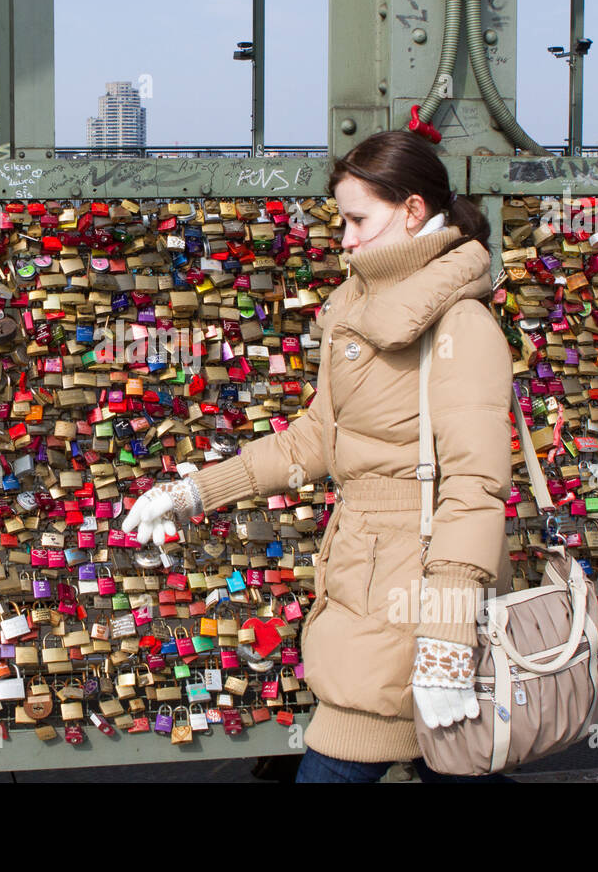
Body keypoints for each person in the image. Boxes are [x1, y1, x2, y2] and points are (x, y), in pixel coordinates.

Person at [124, 130, 515, 783]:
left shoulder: (460, 326)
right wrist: (197, 492)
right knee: (450, 765)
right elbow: (315, 437)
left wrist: (447, 641)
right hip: (365, 578)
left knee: (349, 765)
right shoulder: (356, 309)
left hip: (415, 601)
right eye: (343, 220)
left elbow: (474, 488)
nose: (346, 239)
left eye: (360, 218)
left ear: (413, 211)